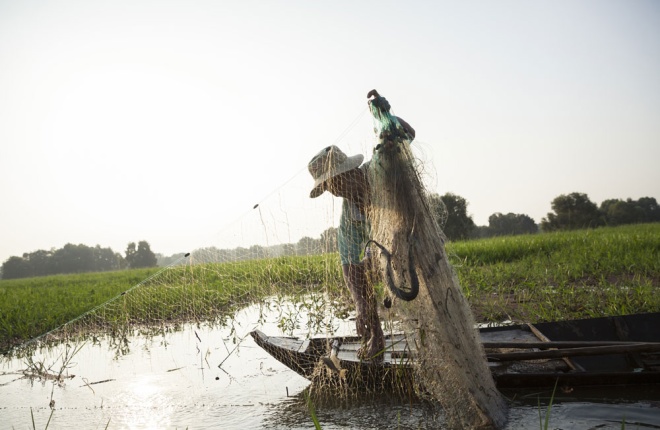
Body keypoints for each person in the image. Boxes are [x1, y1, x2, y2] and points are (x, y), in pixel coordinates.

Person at [307, 94, 415, 360]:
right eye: (328, 188)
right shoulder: (349, 219)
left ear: (349, 172)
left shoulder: (377, 169)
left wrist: (384, 117)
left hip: (412, 241)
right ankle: (377, 338)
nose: (333, 192)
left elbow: (408, 134)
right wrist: (360, 305)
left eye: (334, 183)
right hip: (384, 257)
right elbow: (350, 265)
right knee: (363, 281)